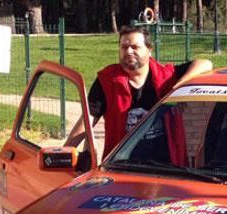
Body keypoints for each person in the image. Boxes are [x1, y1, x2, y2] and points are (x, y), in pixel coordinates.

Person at [66, 26, 213, 160]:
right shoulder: (107, 81)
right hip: (121, 166)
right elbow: (87, 120)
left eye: (135, 47)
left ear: (149, 50)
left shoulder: (167, 77)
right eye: (124, 47)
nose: (129, 51)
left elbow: (205, 63)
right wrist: (64, 151)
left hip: (166, 168)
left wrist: (178, 89)